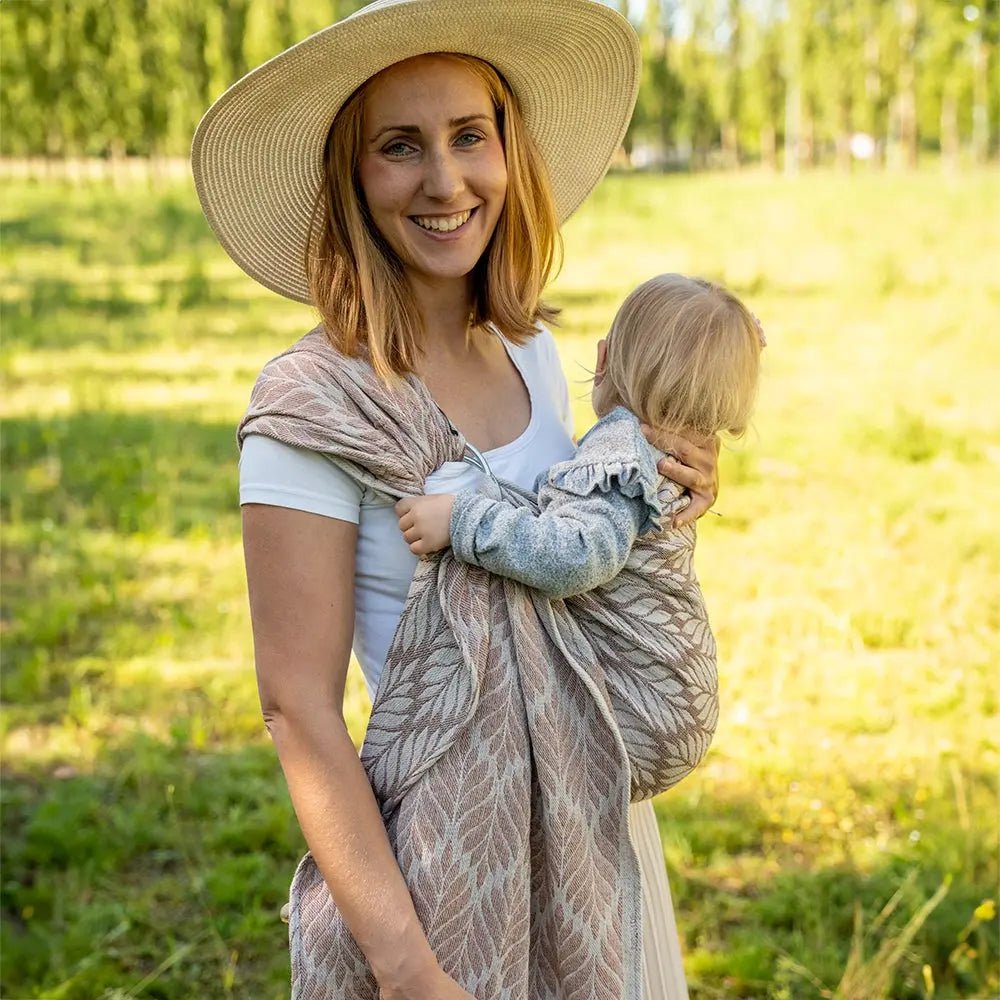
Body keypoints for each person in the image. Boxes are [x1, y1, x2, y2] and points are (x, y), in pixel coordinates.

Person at [191, 2, 720, 997]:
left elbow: (575, 560)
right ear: (351, 177)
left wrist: (668, 485)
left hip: (588, 823)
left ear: (507, 150)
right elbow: (297, 709)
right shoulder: (311, 410)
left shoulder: (533, 354)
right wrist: (405, 969)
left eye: (468, 136)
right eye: (400, 146)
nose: (445, 181)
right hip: (440, 865)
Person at [393, 273, 764, 594]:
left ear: (602, 361)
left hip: (632, 674)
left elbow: (577, 556)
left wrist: (463, 520)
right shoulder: (663, 456)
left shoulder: (620, 459)